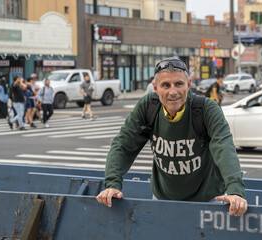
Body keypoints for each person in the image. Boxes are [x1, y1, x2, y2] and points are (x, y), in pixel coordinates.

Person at [96, 58, 247, 217]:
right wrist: (112, 184)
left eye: (179, 84)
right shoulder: (149, 107)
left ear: (188, 85)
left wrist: (235, 191)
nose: (173, 92)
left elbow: (224, 147)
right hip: (162, 200)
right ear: (155, 88)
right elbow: (123, 145)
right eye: (166, 85)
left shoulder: (206, 109)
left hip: (207, 201)